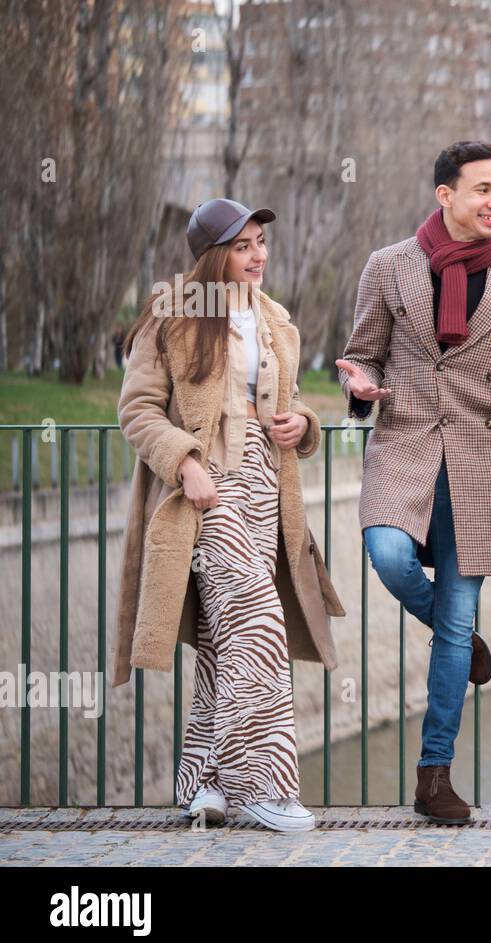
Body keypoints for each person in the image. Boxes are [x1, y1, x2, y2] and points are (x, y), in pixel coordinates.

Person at [337, 140, 491, 825]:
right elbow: (360, 357)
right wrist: (358, 387)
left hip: (478, 463)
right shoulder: (388, 268)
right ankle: (458, 635)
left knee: (453, 624)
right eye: (483, 189)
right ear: (445, 195)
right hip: (404, 445)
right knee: (389, 558)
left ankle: (433, 774)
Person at [116, 198, 345, 832]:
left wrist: (304, 424)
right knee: (260, 621)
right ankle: (261, 784)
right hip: (204, 492)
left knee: (226, 641)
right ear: (215, 258)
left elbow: (290, 403)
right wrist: (184, 461)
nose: (258, 256)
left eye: (261, 243)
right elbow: (136, 411)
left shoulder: (274, 319)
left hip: (268, 487)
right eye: (243, 246)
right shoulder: (173, 318)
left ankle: (204, 782)